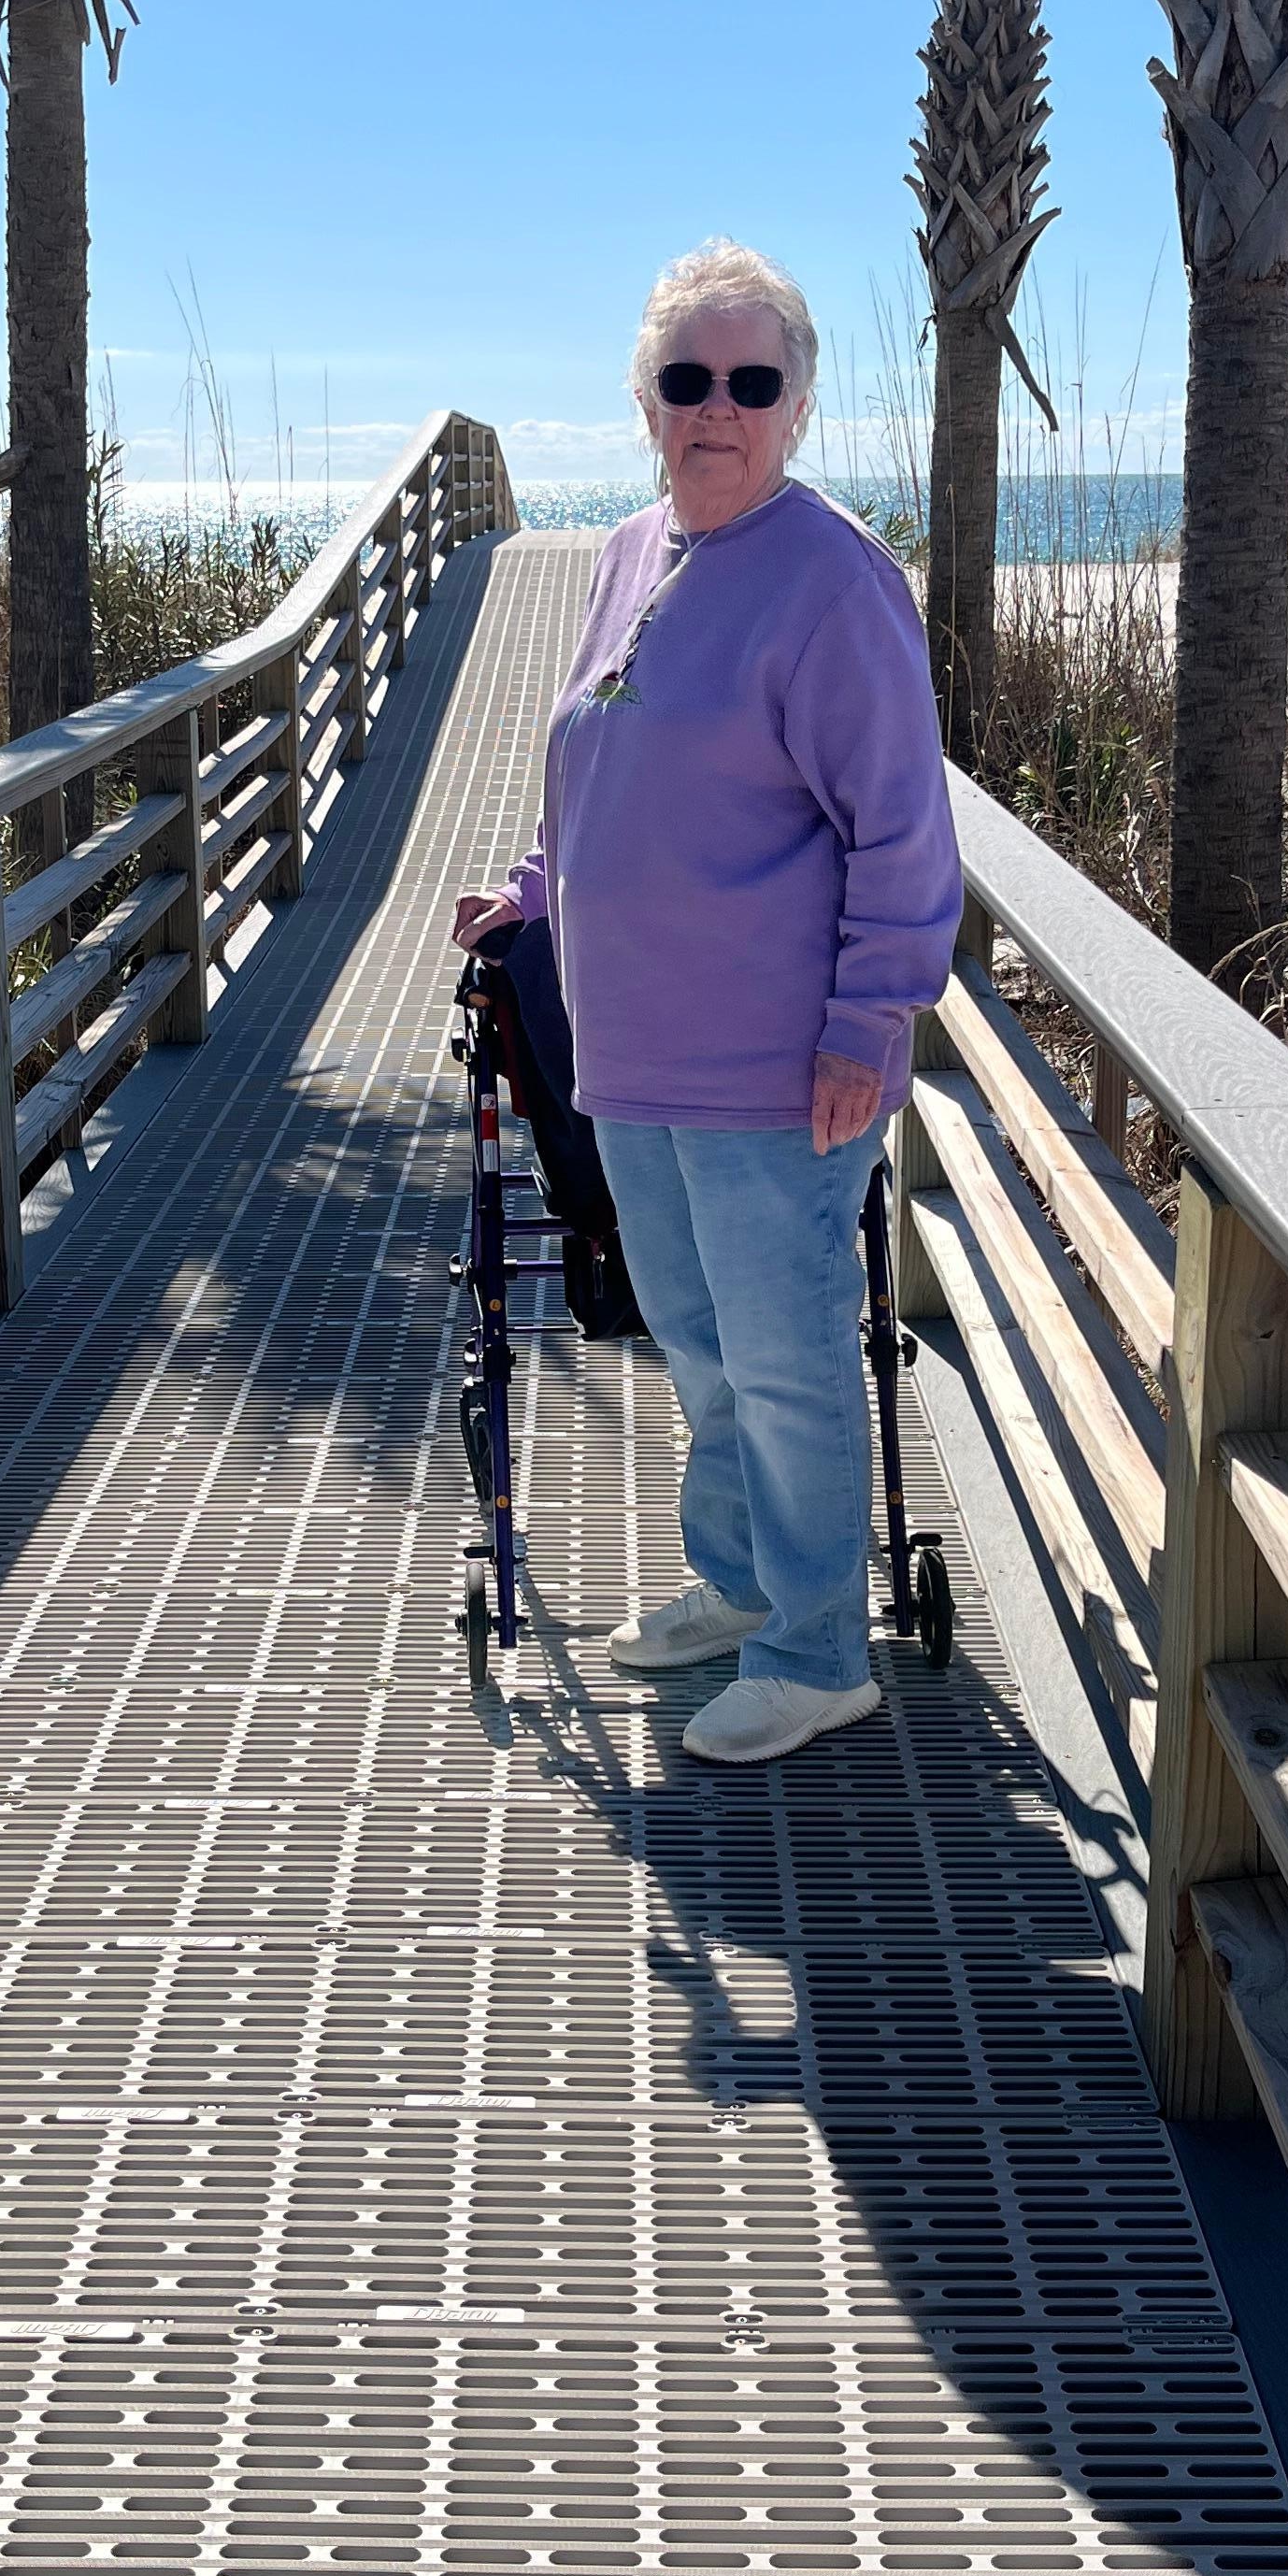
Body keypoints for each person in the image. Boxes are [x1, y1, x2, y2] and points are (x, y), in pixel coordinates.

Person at [451, 239, 962, 1764]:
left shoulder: (834, 582)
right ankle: (740, 1588)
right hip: (629, 1049)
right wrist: (539, 888)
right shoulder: (629, 554)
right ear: (646, 403)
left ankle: (818, 1651)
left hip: (774, 1064)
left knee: (792, 1360)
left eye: (754, 381)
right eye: (689, 379)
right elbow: (597, 757)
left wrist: (872, 1022)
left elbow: (903, 832)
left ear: (797, 405)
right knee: (699, 1342)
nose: (716, 406)